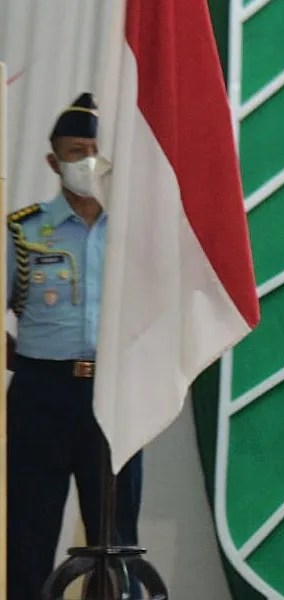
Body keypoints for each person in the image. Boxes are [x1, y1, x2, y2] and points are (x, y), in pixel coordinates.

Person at [6, 93, 142, 599]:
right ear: (53, 161)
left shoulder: (132, 233)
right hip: (42, 393)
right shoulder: (24, 231)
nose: (87, 161)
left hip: (113, 394)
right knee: (30, 528)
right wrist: (23, 358)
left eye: (94, 150)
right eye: (75, 151)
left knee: (115, 533)